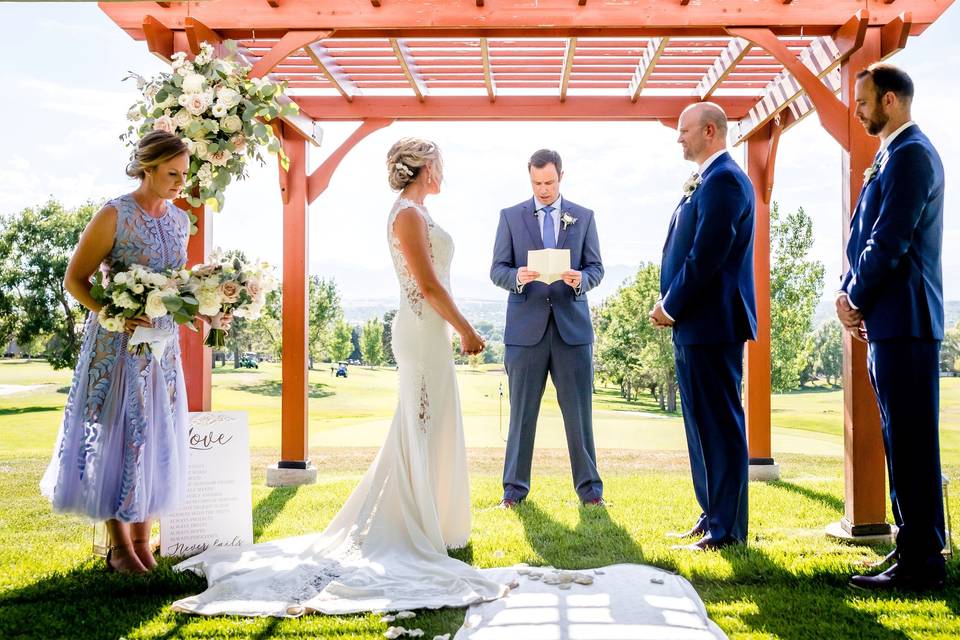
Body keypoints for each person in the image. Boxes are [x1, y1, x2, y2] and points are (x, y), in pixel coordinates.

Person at [170, 138, 510, 616]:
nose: (443, 170)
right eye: (440, 162)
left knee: (426, 426)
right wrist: (468, 330)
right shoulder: (408, 216)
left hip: (431, 332)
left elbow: (437, 283)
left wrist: (450, 330)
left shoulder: (418, 213)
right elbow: (428, 284)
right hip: (419, 329)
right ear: (424, 168)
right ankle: (413, 525)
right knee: (421, 424)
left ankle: (433, 520)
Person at [40, 131, 197, 573]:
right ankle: (119, 547)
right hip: (116, 343)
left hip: (161, 349)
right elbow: (75, 280)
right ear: (147, 168)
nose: (180, 182)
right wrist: (113, 313)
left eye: (185, 174)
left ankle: (144, 541)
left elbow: (175, 283)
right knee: (117, 433)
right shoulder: (114, 215)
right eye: (172, 173)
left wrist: (201, 304)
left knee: (153, 435)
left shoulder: (180, 220)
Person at [838, 64, 947, 591]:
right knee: (901, 441)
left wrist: (854, 298)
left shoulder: (912, 156)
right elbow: (864, 236)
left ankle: (923, 561)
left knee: (910, 445)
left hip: (906, 321)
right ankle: (918, 549)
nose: (856, 110)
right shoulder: (893, 155)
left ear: (890, 101)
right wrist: (847, 290)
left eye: (863, 101)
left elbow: (890, 242)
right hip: (890, 321)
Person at [650, 102, 757, 550]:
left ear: (710, 131)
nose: (679, 138)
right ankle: (711, 516)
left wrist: (670, 305)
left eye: (684, 130)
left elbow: (708, 255)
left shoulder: (727, 180)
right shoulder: (708, 180)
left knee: (719, 426)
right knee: (698, 425)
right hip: (696, 324)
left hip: (712, 322)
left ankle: (727, 530)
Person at [490, 149, 605, 508]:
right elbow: (497, 270)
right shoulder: (510, 217)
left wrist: (581, 279)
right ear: (530, 178)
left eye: (549, 182)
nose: (543, 189)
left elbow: (597, 269)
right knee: (521, 415)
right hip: (525, 333)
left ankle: (590, 493)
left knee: (579, 416)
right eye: (537, 183)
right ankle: (513, 492)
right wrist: (517, 278)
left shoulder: (583, 217)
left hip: (573, 330)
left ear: (561, 176)